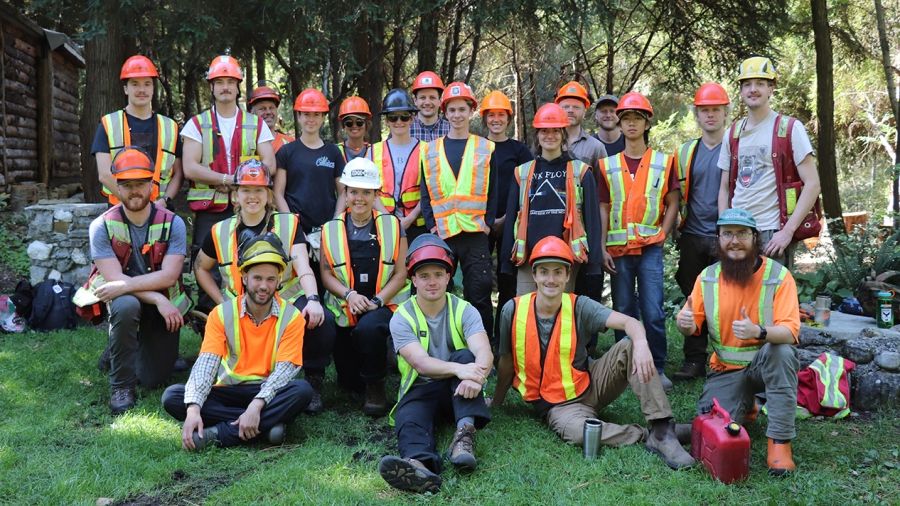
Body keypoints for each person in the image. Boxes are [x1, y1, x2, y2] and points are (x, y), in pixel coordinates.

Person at [492, 237, 694, 470]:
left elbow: (629, 322)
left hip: (592, 383)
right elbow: (506, 362)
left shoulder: (579, 305)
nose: (551, 279)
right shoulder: (513, 310)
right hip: (559, 407)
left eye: (558, 272)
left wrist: (640, 343)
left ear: (568, 276)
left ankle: (661, 428)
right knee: (579, 433)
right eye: (544, 272)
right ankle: (647, 435)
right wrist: (496, 402)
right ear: (535, 275)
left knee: (630, 346)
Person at [195, 159, 334, 414]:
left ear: (268, 194)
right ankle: (242, 382)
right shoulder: (219, 231)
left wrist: (313, 298)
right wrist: (220, 302)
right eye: (246, 190)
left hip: (286, 300)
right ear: (235, 195)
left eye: (259, 190)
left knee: (321, 320)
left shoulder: (288, 224)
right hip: (242, 305)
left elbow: (303, 265)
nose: (252, 196)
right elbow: (201, 267)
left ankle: (313, 380)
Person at [675, 208, 800, 476]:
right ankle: (751, 403)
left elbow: (790, 333)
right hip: (726, 371)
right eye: (727, 234)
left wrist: (759, 331)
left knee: (782, 352)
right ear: (718, 240)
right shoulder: (707, 278)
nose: (735, 241)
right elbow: (689, 323)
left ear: (755, 238)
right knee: (712, 426)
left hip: (766, 366)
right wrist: (684, 324)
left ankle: (779, 444)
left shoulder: (778, 277)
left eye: (742, 233)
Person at [163, 235, 312, 450]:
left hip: (268, 391)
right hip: (229, 390)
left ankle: (222, 433)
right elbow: (206, 364)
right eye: (257, 278)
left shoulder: (293, 317)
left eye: (270, 279)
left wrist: (257, 405)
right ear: (244, 277)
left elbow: (285, 371)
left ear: (279, 280)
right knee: (174, 397)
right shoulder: (221, 314)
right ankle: (266, 425)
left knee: (302, 391)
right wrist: (194, 409)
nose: (264, 286)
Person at [378, 234, 492, 494]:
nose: (432, 281)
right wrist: (460, 370)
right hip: (421, 388)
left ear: (448, 276)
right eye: (425, 275)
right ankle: (418, 465)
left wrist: (477, 375)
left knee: (465, 355)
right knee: (408, 420)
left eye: (438, 274)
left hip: (460, 389)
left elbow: (484, 350)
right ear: (413, 279)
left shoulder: (465, 309)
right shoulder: (401, 317)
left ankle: (464, 439)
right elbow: (420, 363)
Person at [87, 147, 191, 415]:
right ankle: (121, 385)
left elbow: (169, 276)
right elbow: (114, 281)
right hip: (139, 300)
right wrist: (156, 297)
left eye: (141, 184)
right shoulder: (101, 226)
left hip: (162, 306)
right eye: (127, 185)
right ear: (116, 188)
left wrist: (152, 296)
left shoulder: (174, 223)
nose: (135, 191)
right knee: (124, 305)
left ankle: (120, 349)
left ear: (152, 186)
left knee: (153, 378)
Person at [598, 91, 680, 391]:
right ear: (619, 124)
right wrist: (603, 246)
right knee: (622, 310)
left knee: (654, 310)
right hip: (619, 250)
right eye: (626, 119)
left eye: (637, 118)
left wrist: (663, 233)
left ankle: (657, 366)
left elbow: (673, 202)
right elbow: (604, 208)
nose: (631, 124)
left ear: (647, 123)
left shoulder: (663, 162)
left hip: (649, 249)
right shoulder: (607, 165)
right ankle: (625, 366)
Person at [182, 55, 275, 312]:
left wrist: (240, 181)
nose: (225, 87)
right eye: (219, 82)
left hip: (250, 207)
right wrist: (226, 179)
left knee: (254, 260)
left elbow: (270, 162)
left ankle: (253, 323)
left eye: (230, 82)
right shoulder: (197, 124)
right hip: (210, 211)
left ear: (238, 86)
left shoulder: (255, 124)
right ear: (211, 87)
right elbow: (190, 166)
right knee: (207, 270)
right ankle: (209, 332)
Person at [320, 158, 409, 416]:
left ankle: (376, 386)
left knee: (369, 329)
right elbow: (326, 273)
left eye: (366, 192)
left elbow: (401, 273)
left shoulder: (393, 226)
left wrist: (378, 301)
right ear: (345, 193)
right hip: (347, 305)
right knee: (348, 382)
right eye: (354, 191)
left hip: (384, 302)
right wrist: (349, 295)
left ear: (375, 194)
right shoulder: (330, 229)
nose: (359, 198)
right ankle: (379, 361)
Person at [718, 56, 821, 269]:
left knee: (772, 300)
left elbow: (813, 184)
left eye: (760, 84)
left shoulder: (790, 128)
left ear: (771, 88)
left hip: (772, 233)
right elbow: (724, 188)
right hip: (738, 232)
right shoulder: (732, 133)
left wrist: (788, 231)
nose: (753, 89)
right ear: (741, 90)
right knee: (737, 298)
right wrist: (725, 230)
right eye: (747, 84)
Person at [500, 103, 603, 301]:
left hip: (565, 261)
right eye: (544, 131)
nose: (550, 136)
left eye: (556, 131)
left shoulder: (580, 172)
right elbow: (512, 217)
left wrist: (594, 264)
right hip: (528, 260)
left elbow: (592, 220)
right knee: (526, 314)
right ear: (537, 135)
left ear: (564, 134)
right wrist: (506, 261)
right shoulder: (522, 173)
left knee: (562, 316)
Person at [420, 81, 498, 338]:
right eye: (451, 110)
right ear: (445, 112)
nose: (457, 115)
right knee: (440, 293)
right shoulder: (430, 150)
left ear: (471, 111)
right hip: (443, 232)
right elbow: (425, 191)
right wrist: (431, 224)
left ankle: (484, 349)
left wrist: (488, 221)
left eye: (462, 109)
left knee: (480, 291)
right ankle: (445, 344)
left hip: (475, 231)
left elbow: (493, 187)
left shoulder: (485, 147)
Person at [672, 83, 731, 381]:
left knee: (728, 298)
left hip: (728, 235)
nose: (710, 115)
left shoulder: (737, 146)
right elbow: (674, 195)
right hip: (693, 234)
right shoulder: (685, 152)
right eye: (705, 110)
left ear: (725, 113)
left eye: (716, 110)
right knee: (693, 297)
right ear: (697, 114)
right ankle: (694, 360)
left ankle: (727, 359)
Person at [92, 55, 183, 210]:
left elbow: (178, 173)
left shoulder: (170, 127)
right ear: (126, 89)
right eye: (135, 84)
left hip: (160, 208)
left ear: (153, 88)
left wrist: (164, 200)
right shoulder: (108, 124)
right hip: (120, 208)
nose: (142, 90)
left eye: (147, 84)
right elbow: (104, 174)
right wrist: (133, 202)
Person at [480, 90, 533, 337]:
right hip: (481, 223)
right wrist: (489, 220)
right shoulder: (477, 148)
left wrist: (507, 219)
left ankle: (504, 339)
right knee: (479, 283)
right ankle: (481, 336)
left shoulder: (519, 151)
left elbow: (528, 187)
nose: (496, 120)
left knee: (507, 281)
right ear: (484, 119)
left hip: (512, 224)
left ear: (508, 119)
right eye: (491, 115)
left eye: (501, 115)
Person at [274, 88, 347, 262]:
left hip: (327, 229)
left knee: (326, 278)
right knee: (299, 280)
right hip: (296, 231)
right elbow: (277, 193)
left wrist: (335, 222)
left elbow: (343, 191)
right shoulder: (286, 151)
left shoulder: (333, 152)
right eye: (306, 114)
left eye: (316, 115)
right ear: (298, 116)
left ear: (323, 118)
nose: (311, 119)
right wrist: (291, 224)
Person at [367, 88, 427, 243]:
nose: (399, 122)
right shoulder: (373, 152)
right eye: (393, 118)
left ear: (412, 118)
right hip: (382, 223)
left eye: (404, 117)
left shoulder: (428, 150)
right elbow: (369, 191)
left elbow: (431, 192)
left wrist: (410, 217)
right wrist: (388, 218)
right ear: (386, 121)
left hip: (417, 226)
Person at [555, 81, 607, 169]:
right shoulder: (546, 143)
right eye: (566, 107)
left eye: (576, 107)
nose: (570, 110)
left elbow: (602, 181)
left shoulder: (596, 147)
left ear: (584, 112)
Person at [248, 85, 295, 153]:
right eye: (262, 109)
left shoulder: (289, 143)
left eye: (271, 108)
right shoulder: (246, 144)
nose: (268, 112)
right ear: (252, 113)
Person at [410, 71, 450, 142]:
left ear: (440, 101)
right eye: (422, 98)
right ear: (415, 101)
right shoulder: (405, 129)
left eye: (432, 97)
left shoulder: (451, 130)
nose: (427, 102)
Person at [337, 96, 372, 162]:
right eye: (349, 123)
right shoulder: (335, 151)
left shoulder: (375, 152)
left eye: (359, 122)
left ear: (366, 124)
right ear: (343, 126)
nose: (354, 126)